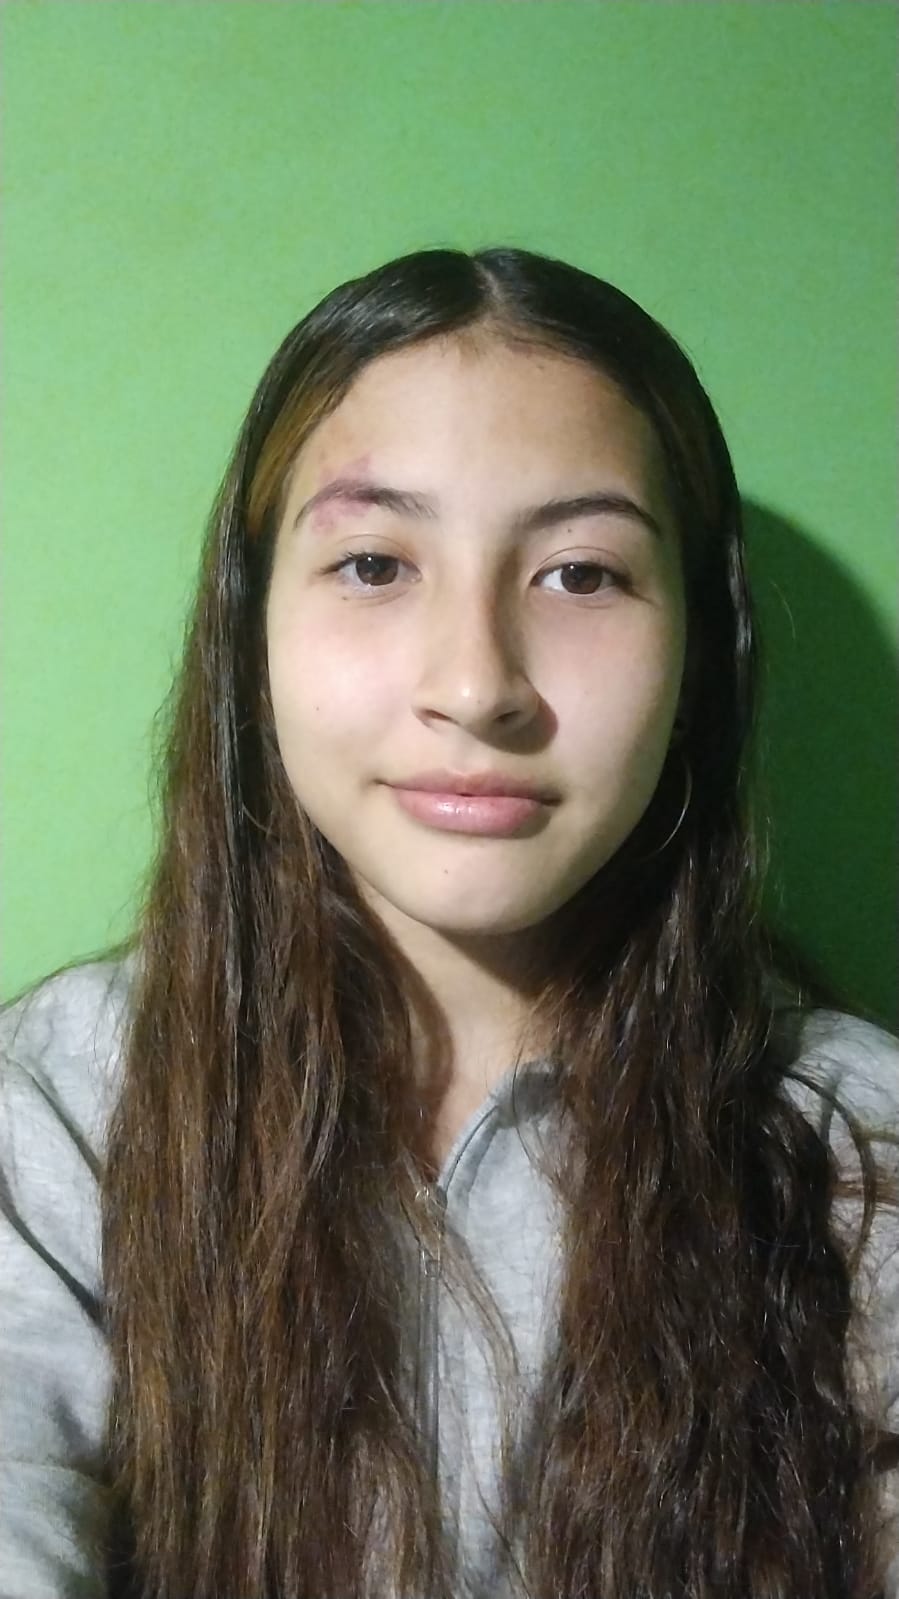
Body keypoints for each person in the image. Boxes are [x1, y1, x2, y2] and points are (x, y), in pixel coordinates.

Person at [1, 245, 897, 1599]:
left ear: (699, 659)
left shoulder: (859, 1149)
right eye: (373, 563)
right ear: (251, 633)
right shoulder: (61, 1110)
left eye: (582, 575)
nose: (477, 685)